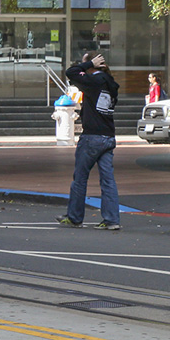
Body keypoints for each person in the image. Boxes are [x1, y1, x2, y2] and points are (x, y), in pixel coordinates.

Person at [58, 53, 120, 230]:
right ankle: (112, 220)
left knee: (80, 178)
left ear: (93, 65)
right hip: (108, 136)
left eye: (86, 64)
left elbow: (71, 72)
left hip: (92, 136)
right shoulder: (110, 83)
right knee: (108, 180)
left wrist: (88, 64)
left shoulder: (93, 82)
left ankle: (75, 217)